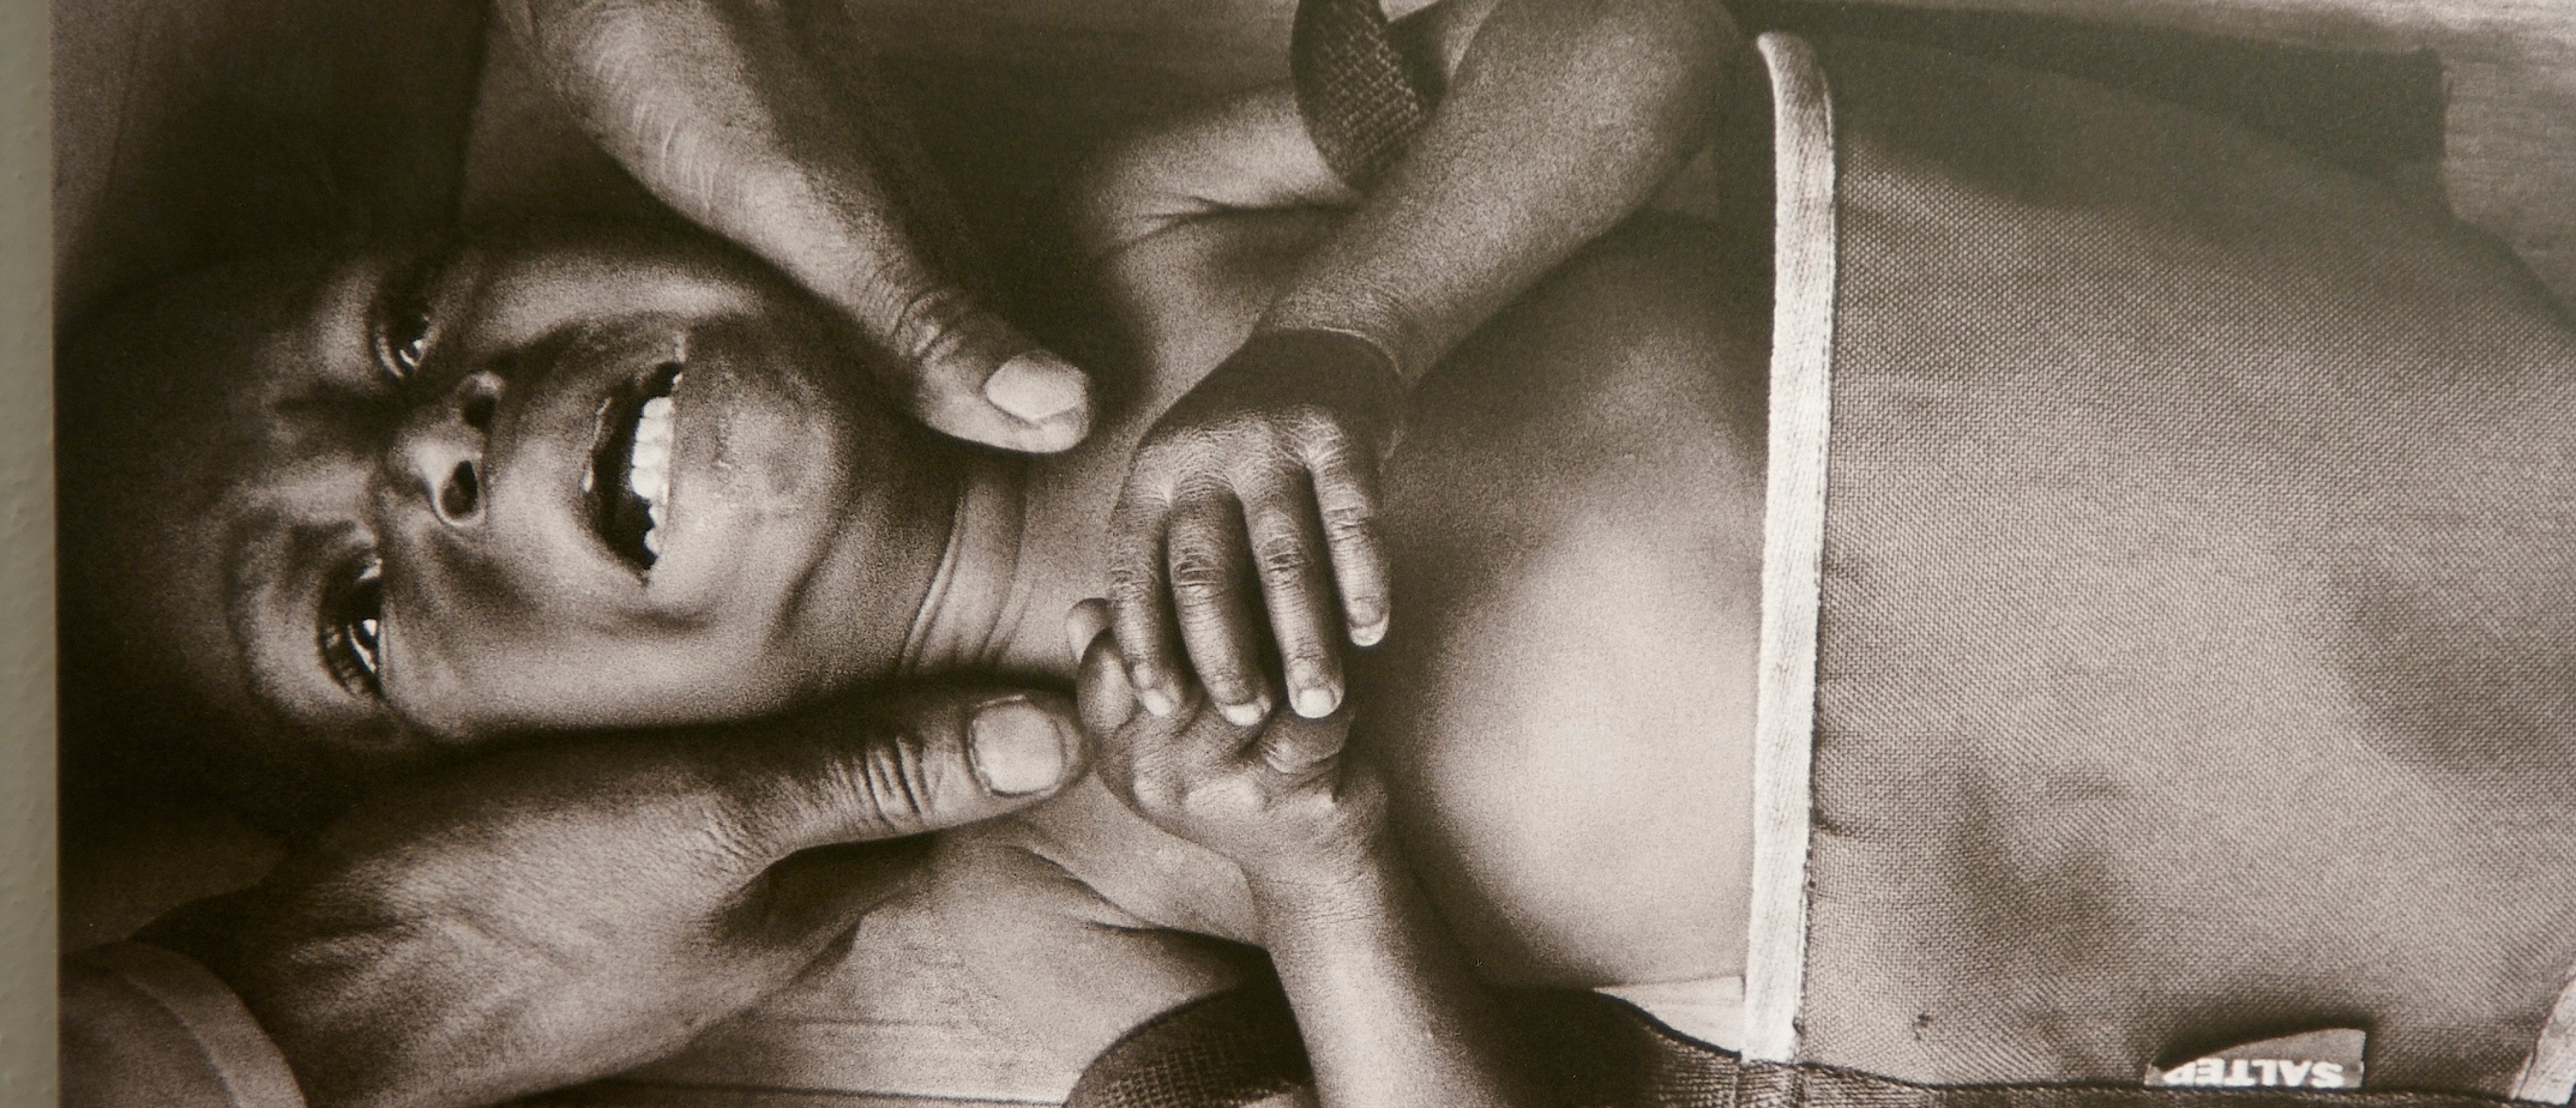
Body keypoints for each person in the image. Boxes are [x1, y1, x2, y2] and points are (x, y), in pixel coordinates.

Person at [58, 1, 1746, 1105]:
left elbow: (1640, 33)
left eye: (404, 329)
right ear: (507, 807)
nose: (429, 451)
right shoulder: (1045, 906)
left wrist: (1356, 328)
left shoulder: (1136, 229)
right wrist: (1322, 872)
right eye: (352, 619)